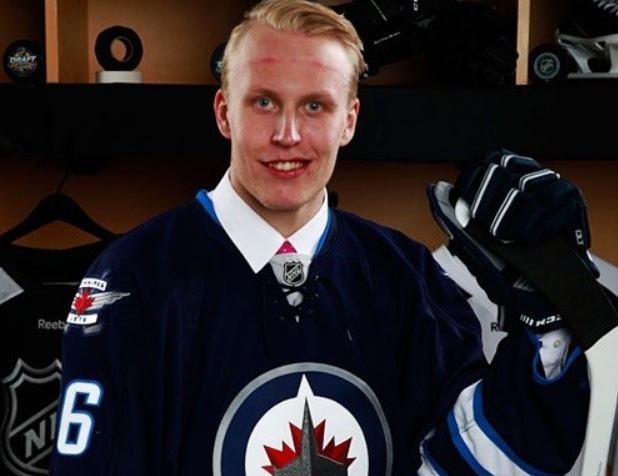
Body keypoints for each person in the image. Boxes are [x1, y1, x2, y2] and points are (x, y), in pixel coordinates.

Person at [49, 1, 591, 475]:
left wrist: (551, 324)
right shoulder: (133, 278)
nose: (288, 134)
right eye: (263, 102)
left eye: (315, 105)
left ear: (349, 120)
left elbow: (484, 461)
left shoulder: (408, 277)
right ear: (224, 113)